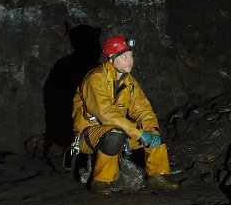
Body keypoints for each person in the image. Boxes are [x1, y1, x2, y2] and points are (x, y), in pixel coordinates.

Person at [71, 34, 178, 195]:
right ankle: (101, 181)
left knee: (153, 130)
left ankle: (157, 176)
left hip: (119, 131)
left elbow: (144, 111)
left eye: (131, 55)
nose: (130, 60)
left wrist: (151, 131)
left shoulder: (129, 82)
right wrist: (139, 133)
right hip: (89, 133)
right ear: (111, 60)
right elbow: (106, 113)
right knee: (114, 134)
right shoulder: (95, 78)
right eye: (124, 56)